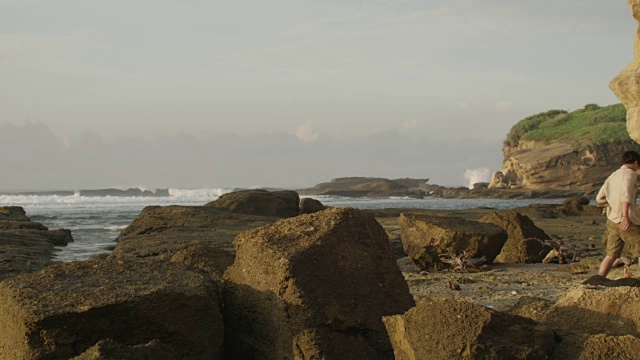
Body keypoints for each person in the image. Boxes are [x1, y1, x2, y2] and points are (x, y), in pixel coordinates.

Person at [596, 150, 640, 278]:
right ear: (636, 162)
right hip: (626, 219)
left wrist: (611, 203)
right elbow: (625, 195)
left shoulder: (613, 175)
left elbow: (599, 198)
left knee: (611, 254)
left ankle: (599, 278)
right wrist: (625, 215)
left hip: (612, 219)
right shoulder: (630, 174)